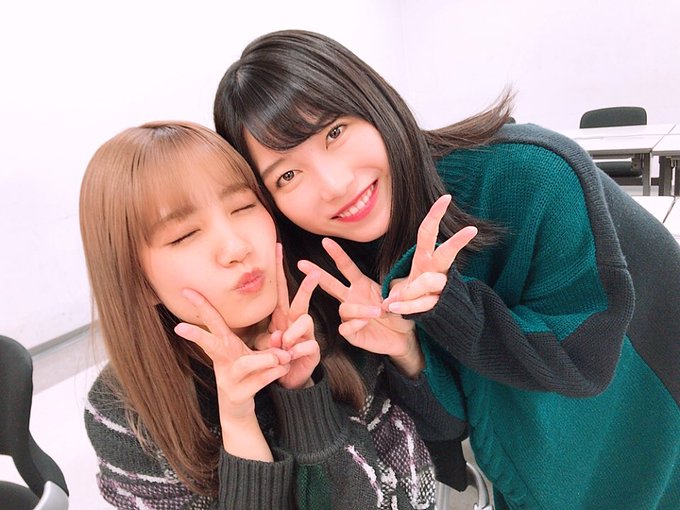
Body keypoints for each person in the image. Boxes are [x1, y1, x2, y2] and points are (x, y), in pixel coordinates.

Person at [213, 29, 680, 510]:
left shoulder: (531, 176)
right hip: (536, 478)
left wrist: (450, 305)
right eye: (288, 175)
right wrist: (405, 351)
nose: (333, 185)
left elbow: (583, 362)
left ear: (374, 103)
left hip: (648, 441)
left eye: (335, 132)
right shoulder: (337, 266)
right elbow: (449, 426)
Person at [79, 120, 454, 509]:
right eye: (184, 235)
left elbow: (422, 482)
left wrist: (306, 396)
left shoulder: (333, 318)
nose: (236, 247)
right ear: (138, 283)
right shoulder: (123, 415)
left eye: (243, 207)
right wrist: (239, 425)